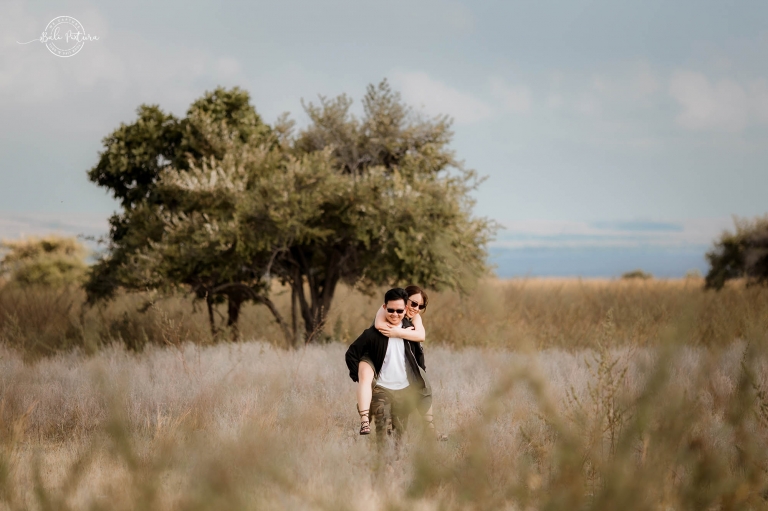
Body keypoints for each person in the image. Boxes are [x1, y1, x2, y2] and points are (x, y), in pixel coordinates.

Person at [345, 287, 432, 441]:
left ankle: (430, 428)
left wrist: (399, 333)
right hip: (374, 355)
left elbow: (420, 340)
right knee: (366, 378)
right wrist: (357, 373)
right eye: (413, 304)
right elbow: (378, 325)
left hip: (400, 386)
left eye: (421, 306)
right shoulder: (384, 315)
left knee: (400, 430)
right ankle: (365, 419)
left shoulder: (413, 322)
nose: (416, 309)